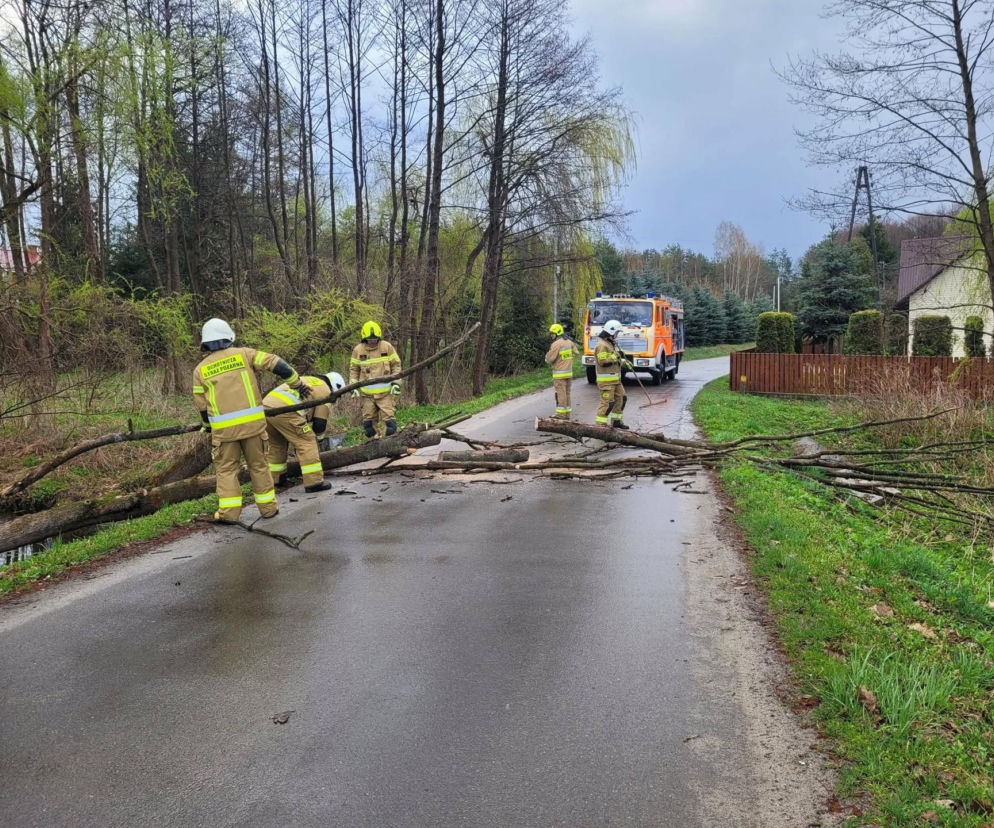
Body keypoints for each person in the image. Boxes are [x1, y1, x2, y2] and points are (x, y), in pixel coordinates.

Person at [192, 318, 310, 523]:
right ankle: (268, 508)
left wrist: (207, 426)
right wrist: (297, 383)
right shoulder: (245, 354)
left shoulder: (200, 370)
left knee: (227, 470)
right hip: (254, 428)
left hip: (224, 433)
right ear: (229, 336)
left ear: (206, 343)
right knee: (259, 466)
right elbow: (277, 364)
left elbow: (202, 406)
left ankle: (229, 514)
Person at [265, 371, 345, 493]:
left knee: (276, 444)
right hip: (286, 410)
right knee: (307, 441)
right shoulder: (326, 392)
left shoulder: (311, 380)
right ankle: (314, 482)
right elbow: (319, 423)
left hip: (265, 408)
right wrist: (319, 439)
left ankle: (276, 479)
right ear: (336, 387)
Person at [349, 321, 402, 439]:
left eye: (375, 338)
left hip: (385, 394)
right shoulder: (358, 350)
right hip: (366, 395)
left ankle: (390, 447)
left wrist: (396, 384)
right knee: (368, 427)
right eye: (369, 339)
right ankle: (374, 450)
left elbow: (396, 366)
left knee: (390, 426)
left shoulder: (387, 347)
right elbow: (354, 370)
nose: (372, 341)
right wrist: (353, 387)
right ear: (364, 338)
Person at [594, 319, 632, 430]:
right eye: (616, 333)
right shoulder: (602, 345)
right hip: (606, 383)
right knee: (607, 403)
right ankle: (600, 426)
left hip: (615, 381)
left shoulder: (610, 344)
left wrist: (623, 362)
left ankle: (616, 421)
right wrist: (616, 357)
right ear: (611, 332)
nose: (617, 335)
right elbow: (603, 361)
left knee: (622, 398)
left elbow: (613, 358)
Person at [544, 323, 576, 419]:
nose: (551, 335)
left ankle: (561, 414)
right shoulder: (569, 342)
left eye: (552, 333)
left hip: (559, 374)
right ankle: (567, 414)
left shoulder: (556, 344)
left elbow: (549, 359)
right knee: (567, 393)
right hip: (569, 373)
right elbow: (576, 352)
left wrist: (547, 356)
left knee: (560, 394)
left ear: (557, 333)